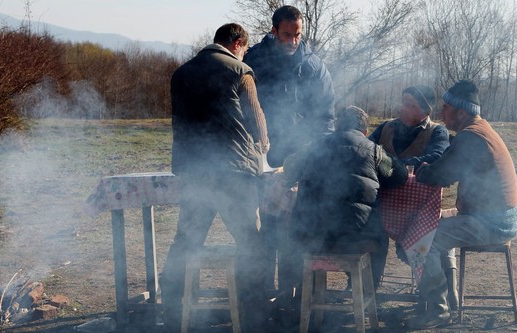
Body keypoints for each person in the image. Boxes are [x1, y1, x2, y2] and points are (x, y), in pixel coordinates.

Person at [160, 23, 270, 332]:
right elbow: (256, 118)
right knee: (251, 242)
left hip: (195, 169)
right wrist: (263, 145)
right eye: (245, 49)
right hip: (234, 173)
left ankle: (173, 311)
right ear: (237, 43)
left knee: (186, 239)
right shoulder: (240, 70)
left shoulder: (181, 73)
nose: (245, 53)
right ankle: (253, 318)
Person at [408, 80, 517, 329]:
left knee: (423, 239)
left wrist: (422, 170)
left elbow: (443, 174)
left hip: (494, 221)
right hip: (498, 215)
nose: (441, 113)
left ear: (461, 111)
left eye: (446, 108)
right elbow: (450, 164)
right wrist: (433, 168)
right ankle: (449, 298)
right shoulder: (479, 130)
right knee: (431, 225)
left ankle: (438, 310)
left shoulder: (471, 138)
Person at [243, 4, 336, 294]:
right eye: (287, 35)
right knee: (263, 230)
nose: (293, 41)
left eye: (298, 35)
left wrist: (316, 153)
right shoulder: (254, 60)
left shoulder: (314, 65)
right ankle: (259, 296)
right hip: (261, 158)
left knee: (296, 230)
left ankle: (293, 297)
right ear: (274, 31)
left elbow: (326, 116)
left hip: (301, 160)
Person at [281, 106, 408, 303]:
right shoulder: (374, 151)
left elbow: (288, 170)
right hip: (356, 239)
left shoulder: (313, 147)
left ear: (337, 126)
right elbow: (400, 176)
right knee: (380, 239)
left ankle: (308, 294)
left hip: (313, 238)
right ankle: (367, 294)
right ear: (365, 131)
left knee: (291, 234)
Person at [369, 85, 457, 307]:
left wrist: (395, 166)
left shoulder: (437, 131)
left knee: (426, 241)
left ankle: (446, 290)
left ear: (425, 112)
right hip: (384, 202)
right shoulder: (386, 128)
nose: (403, 108)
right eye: (403, 102)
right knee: (371, 231)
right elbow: (365, 148)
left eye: (410, 105)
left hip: (419, 208)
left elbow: (439, 156)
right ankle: (366, 288)